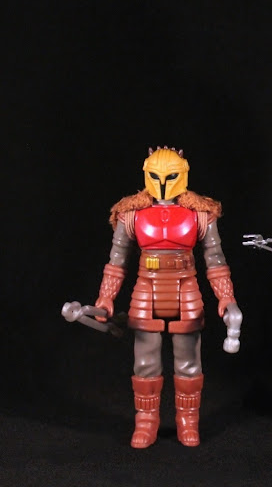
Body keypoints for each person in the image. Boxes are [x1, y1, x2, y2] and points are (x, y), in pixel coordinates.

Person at [95, 146, 242, 448]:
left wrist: (226, 296)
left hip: (186, 289)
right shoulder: (129, 214)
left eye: (170, 176)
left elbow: (215, 261)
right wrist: (106, 297)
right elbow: (116, 261)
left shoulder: (201, 214)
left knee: (188, 362)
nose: (163, 183)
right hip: (145, 290)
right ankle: (146, 422)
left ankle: (187, 421)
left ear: (183, 174)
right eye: (156, 175)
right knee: (145, 361)